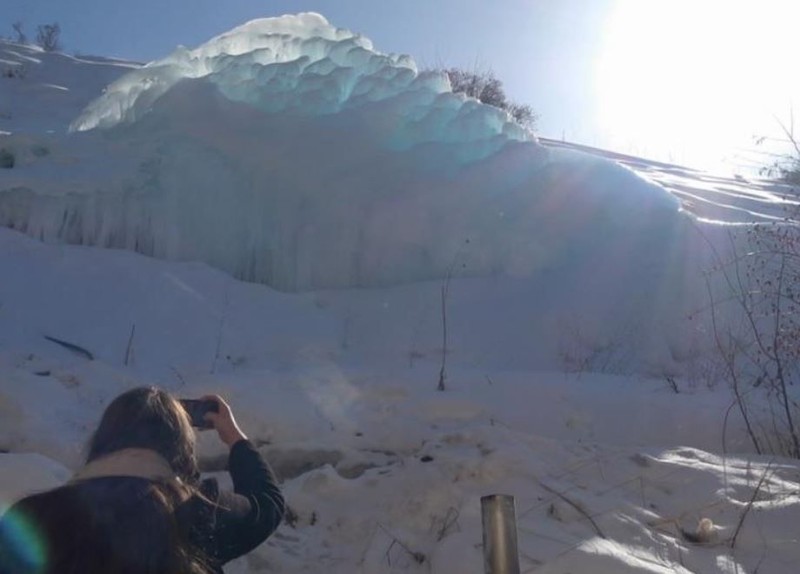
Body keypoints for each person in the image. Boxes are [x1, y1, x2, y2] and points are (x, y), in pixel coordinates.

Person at [0, 386, 284, 574]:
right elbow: (268, 505)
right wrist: (234, 437)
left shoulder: (33, 516)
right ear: (180, 448)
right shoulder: (197, 511)